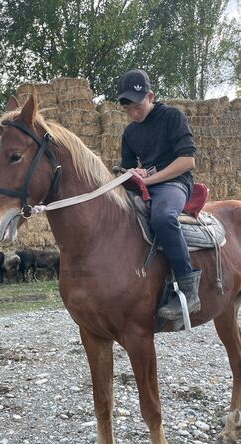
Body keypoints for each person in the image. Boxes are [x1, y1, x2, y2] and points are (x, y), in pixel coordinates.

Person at [116, 68, 202, 321]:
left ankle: (188, 288)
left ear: (151, 96)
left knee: (163, 217)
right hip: (147, 185)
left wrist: (149, 179)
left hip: (175, 183)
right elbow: (127, 165)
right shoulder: (130, 133)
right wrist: (131, 173)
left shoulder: (172, 117)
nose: (133, 113)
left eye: (138, 106)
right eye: (128, 109)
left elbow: (187, 161)